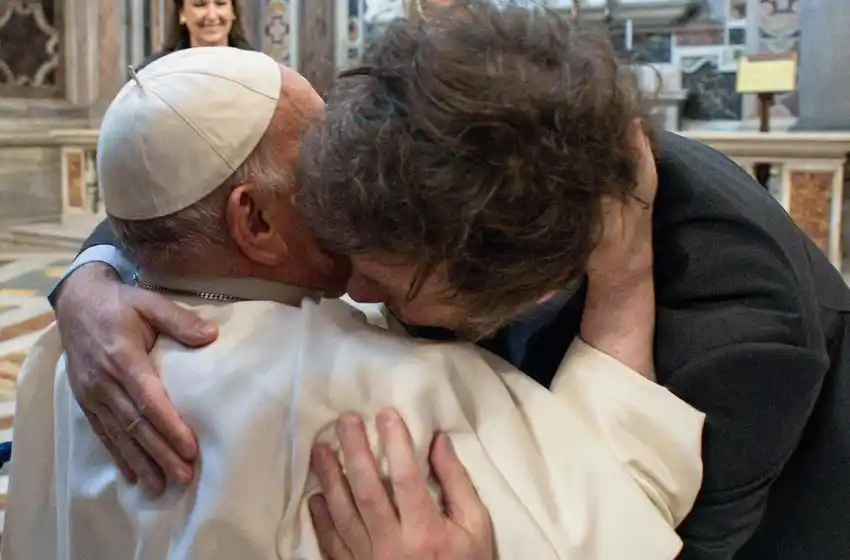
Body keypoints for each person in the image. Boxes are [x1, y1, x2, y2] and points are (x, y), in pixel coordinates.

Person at [46, 3, 850, 558]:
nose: (351, 290)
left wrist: (624, 287)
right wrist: (95, 278)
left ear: (523, 285)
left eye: (387, 284)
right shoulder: (414, 143)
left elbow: (651, 533)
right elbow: (180, 183)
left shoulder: (739, 343)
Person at [137, 0, 253, 71]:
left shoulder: (257, 68)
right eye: (200, 4)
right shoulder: (154, 72)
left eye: (220, 3)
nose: (212, 15)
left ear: (233, 10)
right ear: (182, 11)